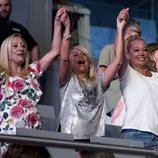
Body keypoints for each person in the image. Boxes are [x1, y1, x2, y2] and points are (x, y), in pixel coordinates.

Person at [0, 7, 66, 152]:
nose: (21, 48)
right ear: (6, 52)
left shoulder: (32, 72)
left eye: (23, 46)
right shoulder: (1, 75)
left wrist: (57, 24)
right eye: (15, 46)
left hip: (32, 137)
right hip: (7, 138)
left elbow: (55, 51)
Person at [58, 8, 128, 140]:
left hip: (93, 142)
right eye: (75, 54)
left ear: (89, 60)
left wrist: (120, 28)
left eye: (84, 54)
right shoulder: (67, 80)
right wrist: (67, 28)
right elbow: (64, 59)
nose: (80, 56)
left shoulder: (99, 81)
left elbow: (118, 62)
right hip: (68, 139)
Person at [118, 24, 158, 150]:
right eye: (136, 50)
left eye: (145, 50)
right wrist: (120, 29)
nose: (141, 53)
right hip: (135, 134)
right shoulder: (128, 74)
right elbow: (119, 59)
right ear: (128, 55)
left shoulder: (156, 76)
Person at [98, 17, 141, 117]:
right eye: (137, 33)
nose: (139, 36)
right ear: (128, 32)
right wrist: (125, 71)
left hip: (131, 105)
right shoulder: (109, 49)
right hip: (113, 106)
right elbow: (101, 76)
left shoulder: (137, 54)